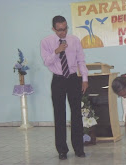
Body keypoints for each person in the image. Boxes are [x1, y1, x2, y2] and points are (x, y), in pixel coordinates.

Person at [40, 15, 88, 160]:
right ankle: (62, 150)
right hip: (58, 80)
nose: (63, 32)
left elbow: (81, 60)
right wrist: (56, 51)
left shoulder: (74, 40)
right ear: (54, 29)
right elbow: (47, 62)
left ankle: (79, 148)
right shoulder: (46, 42)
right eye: (60, 30)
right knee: (59, 115)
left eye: (65, 28)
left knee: (76, 115)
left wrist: (85, 79)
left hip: (73, 79)